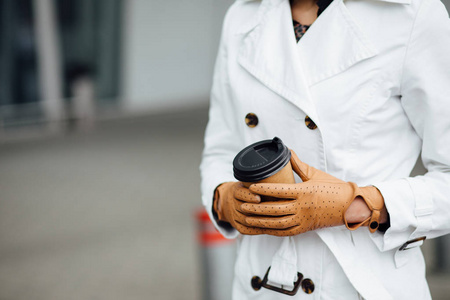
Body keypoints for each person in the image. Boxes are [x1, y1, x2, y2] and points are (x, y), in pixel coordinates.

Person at [200, 0, 450, 298]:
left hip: (362, 284)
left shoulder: (413, 13)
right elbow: (220, 148)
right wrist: (224, 200)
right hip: (260, 280)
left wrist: (356, 204)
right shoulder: (243, 13)